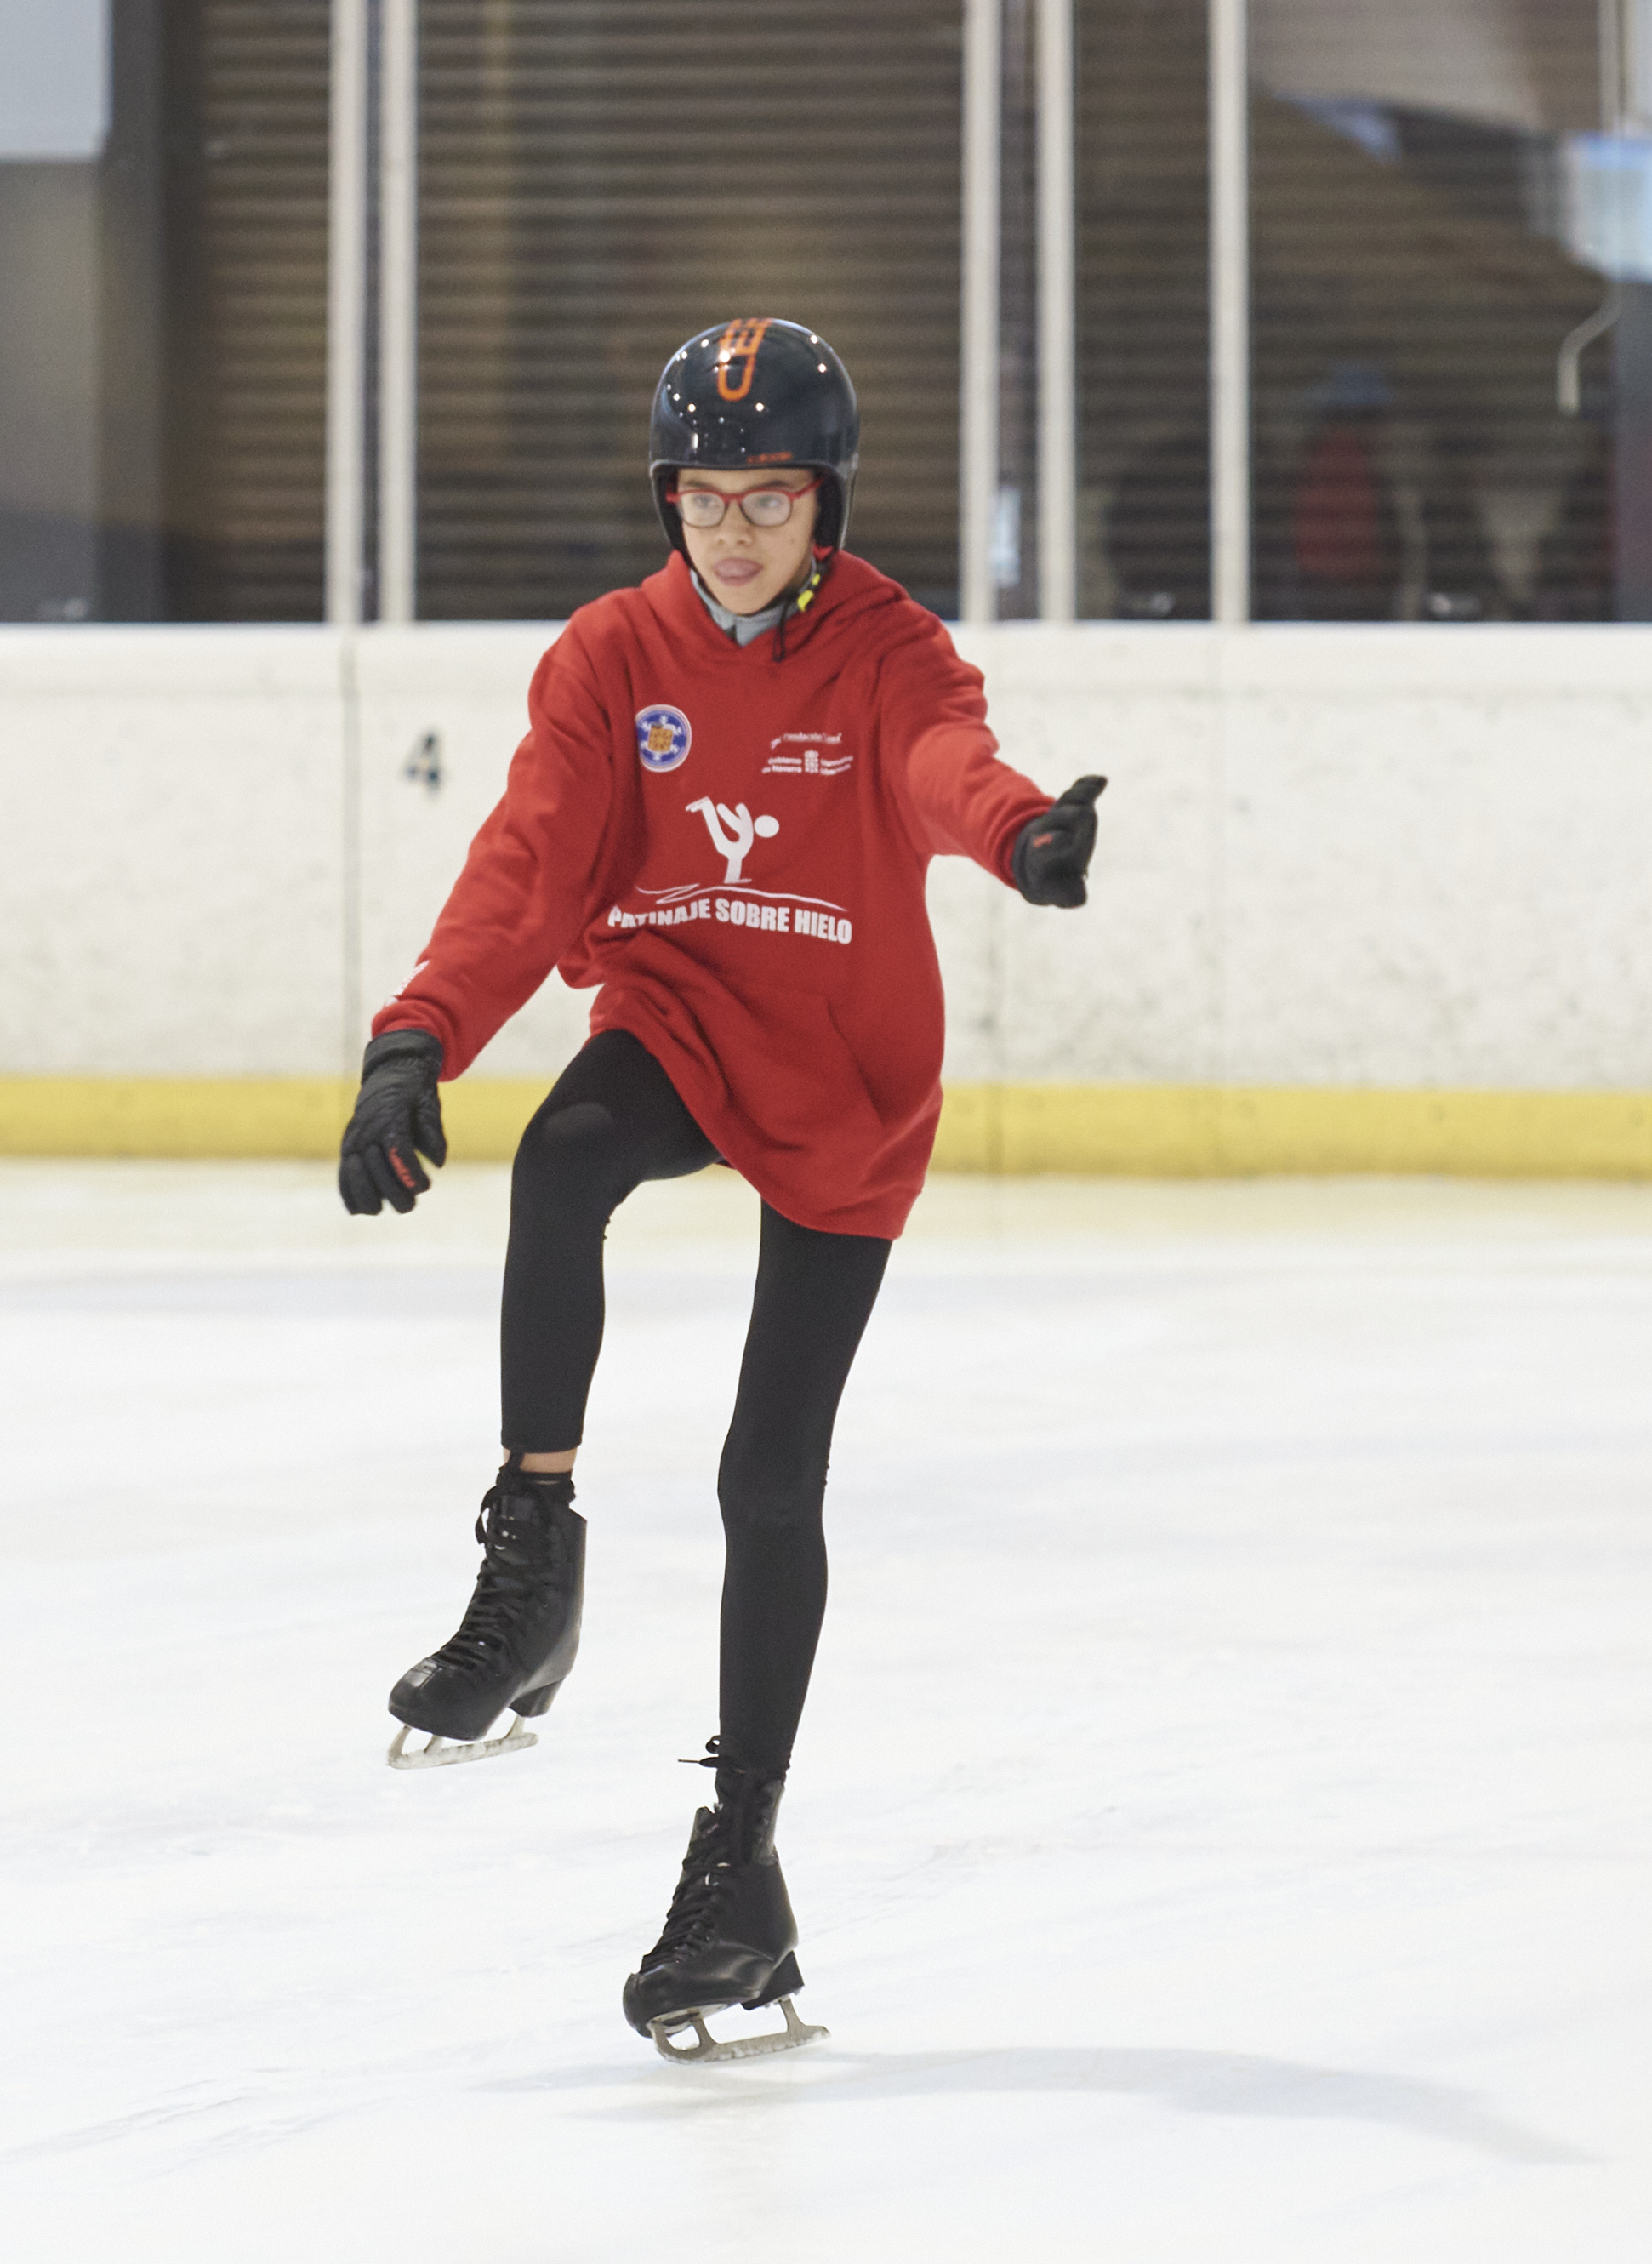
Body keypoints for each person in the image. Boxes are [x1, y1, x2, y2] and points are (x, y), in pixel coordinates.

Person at [334, 316, 1103, 2061]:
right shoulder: (615, 655)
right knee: (563, 1157)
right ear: (668, 496)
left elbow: (940, 766)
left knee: (770, 1480)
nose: (733, 529)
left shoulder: (891, 646)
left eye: (768, 495)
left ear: (822, 503)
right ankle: (532, 1557)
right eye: (704, 493)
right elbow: (529, 861)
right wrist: (415, 1038)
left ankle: (736, 1866)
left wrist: (1020, 836)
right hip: (681, 1008)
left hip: (841, 1074)